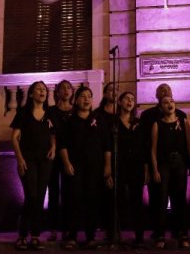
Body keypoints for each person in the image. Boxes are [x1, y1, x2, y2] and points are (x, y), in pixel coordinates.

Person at [59, 86, 112, 250]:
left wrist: (108, 166)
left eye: (89, 96)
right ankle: (72, 236)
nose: (87, 99)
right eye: (83, 96)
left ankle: (90, 236)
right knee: (73, 200)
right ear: (76, 100)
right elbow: (63, 144)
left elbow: (107, 145)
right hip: (75, 167)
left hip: (95, 167)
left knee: (93, 200)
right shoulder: (69, 120)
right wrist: (67, 163)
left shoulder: (99, 119)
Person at [10, 81, 56, 250]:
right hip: (27, 158)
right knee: (31, 196)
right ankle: (22, 235)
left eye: (44, 89)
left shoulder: (50, 113)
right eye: (38, 89)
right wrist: (20, 159)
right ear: (31, 94)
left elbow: (53, 134)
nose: (42, 91)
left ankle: (35, 235)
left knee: (40, 195)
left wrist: (53, 147)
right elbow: (15, 138)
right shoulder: (23, 112)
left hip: (45, 160)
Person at [150, 95, 190, 249]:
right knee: (162, 199)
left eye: (171, 101)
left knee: (180, 199)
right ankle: (161, 235)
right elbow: (153, 149)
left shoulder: (183, 122)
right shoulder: (157, 124)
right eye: (165, 102)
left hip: (180, 163)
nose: (169, 104)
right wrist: (155, 169)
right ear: (161, 107)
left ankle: (182, 234)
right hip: (164, 164)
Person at [111, 91, 147, 247]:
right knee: (117, 201)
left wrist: (146, 170)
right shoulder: (113, 122)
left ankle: (139, 237)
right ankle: (116, 235)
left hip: (136, 166)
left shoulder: (139, 123)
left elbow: (145, 147)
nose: (130, 102)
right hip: (118, 166)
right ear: (119, 102)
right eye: (126, 99)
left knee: (136, 201)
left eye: (132, 99)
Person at [46, 80, 74, 242]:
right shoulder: (50, 111)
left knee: (69, 193)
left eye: (68, 88)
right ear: (57, 92)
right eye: (62, 88)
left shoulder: (76, 110)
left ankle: (67, 229)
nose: (66, 90)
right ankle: (53, 229)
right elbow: (50, 132)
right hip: (54, 154)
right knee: (54, 191)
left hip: (71, 155)